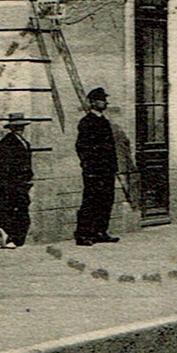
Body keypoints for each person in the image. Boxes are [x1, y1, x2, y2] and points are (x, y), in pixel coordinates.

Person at [75, 87, 120, 246]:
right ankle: (83, 234)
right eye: (102, 100)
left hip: (107, 170)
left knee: (106, 200)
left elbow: (110, 147)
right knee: (90, 202)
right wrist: (88, 167)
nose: (105, 102)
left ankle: (100, 231)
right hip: (94, 171)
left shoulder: (104, 121)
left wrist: (113, 167)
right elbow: (82, 147)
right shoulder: (86, 122)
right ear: (93, 102)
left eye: (105, 100)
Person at [0, 113, 33, 249]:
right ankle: (9, 237)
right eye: (17, 126)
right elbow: (5, 165)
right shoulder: (9, 143)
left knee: (18, 209)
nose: (20, 129)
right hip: (13, 182)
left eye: (22, 126)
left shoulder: (22, 142)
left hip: (19, 181)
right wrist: (15, 179)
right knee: (13, 210)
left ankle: (10, 235)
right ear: (12, 128)